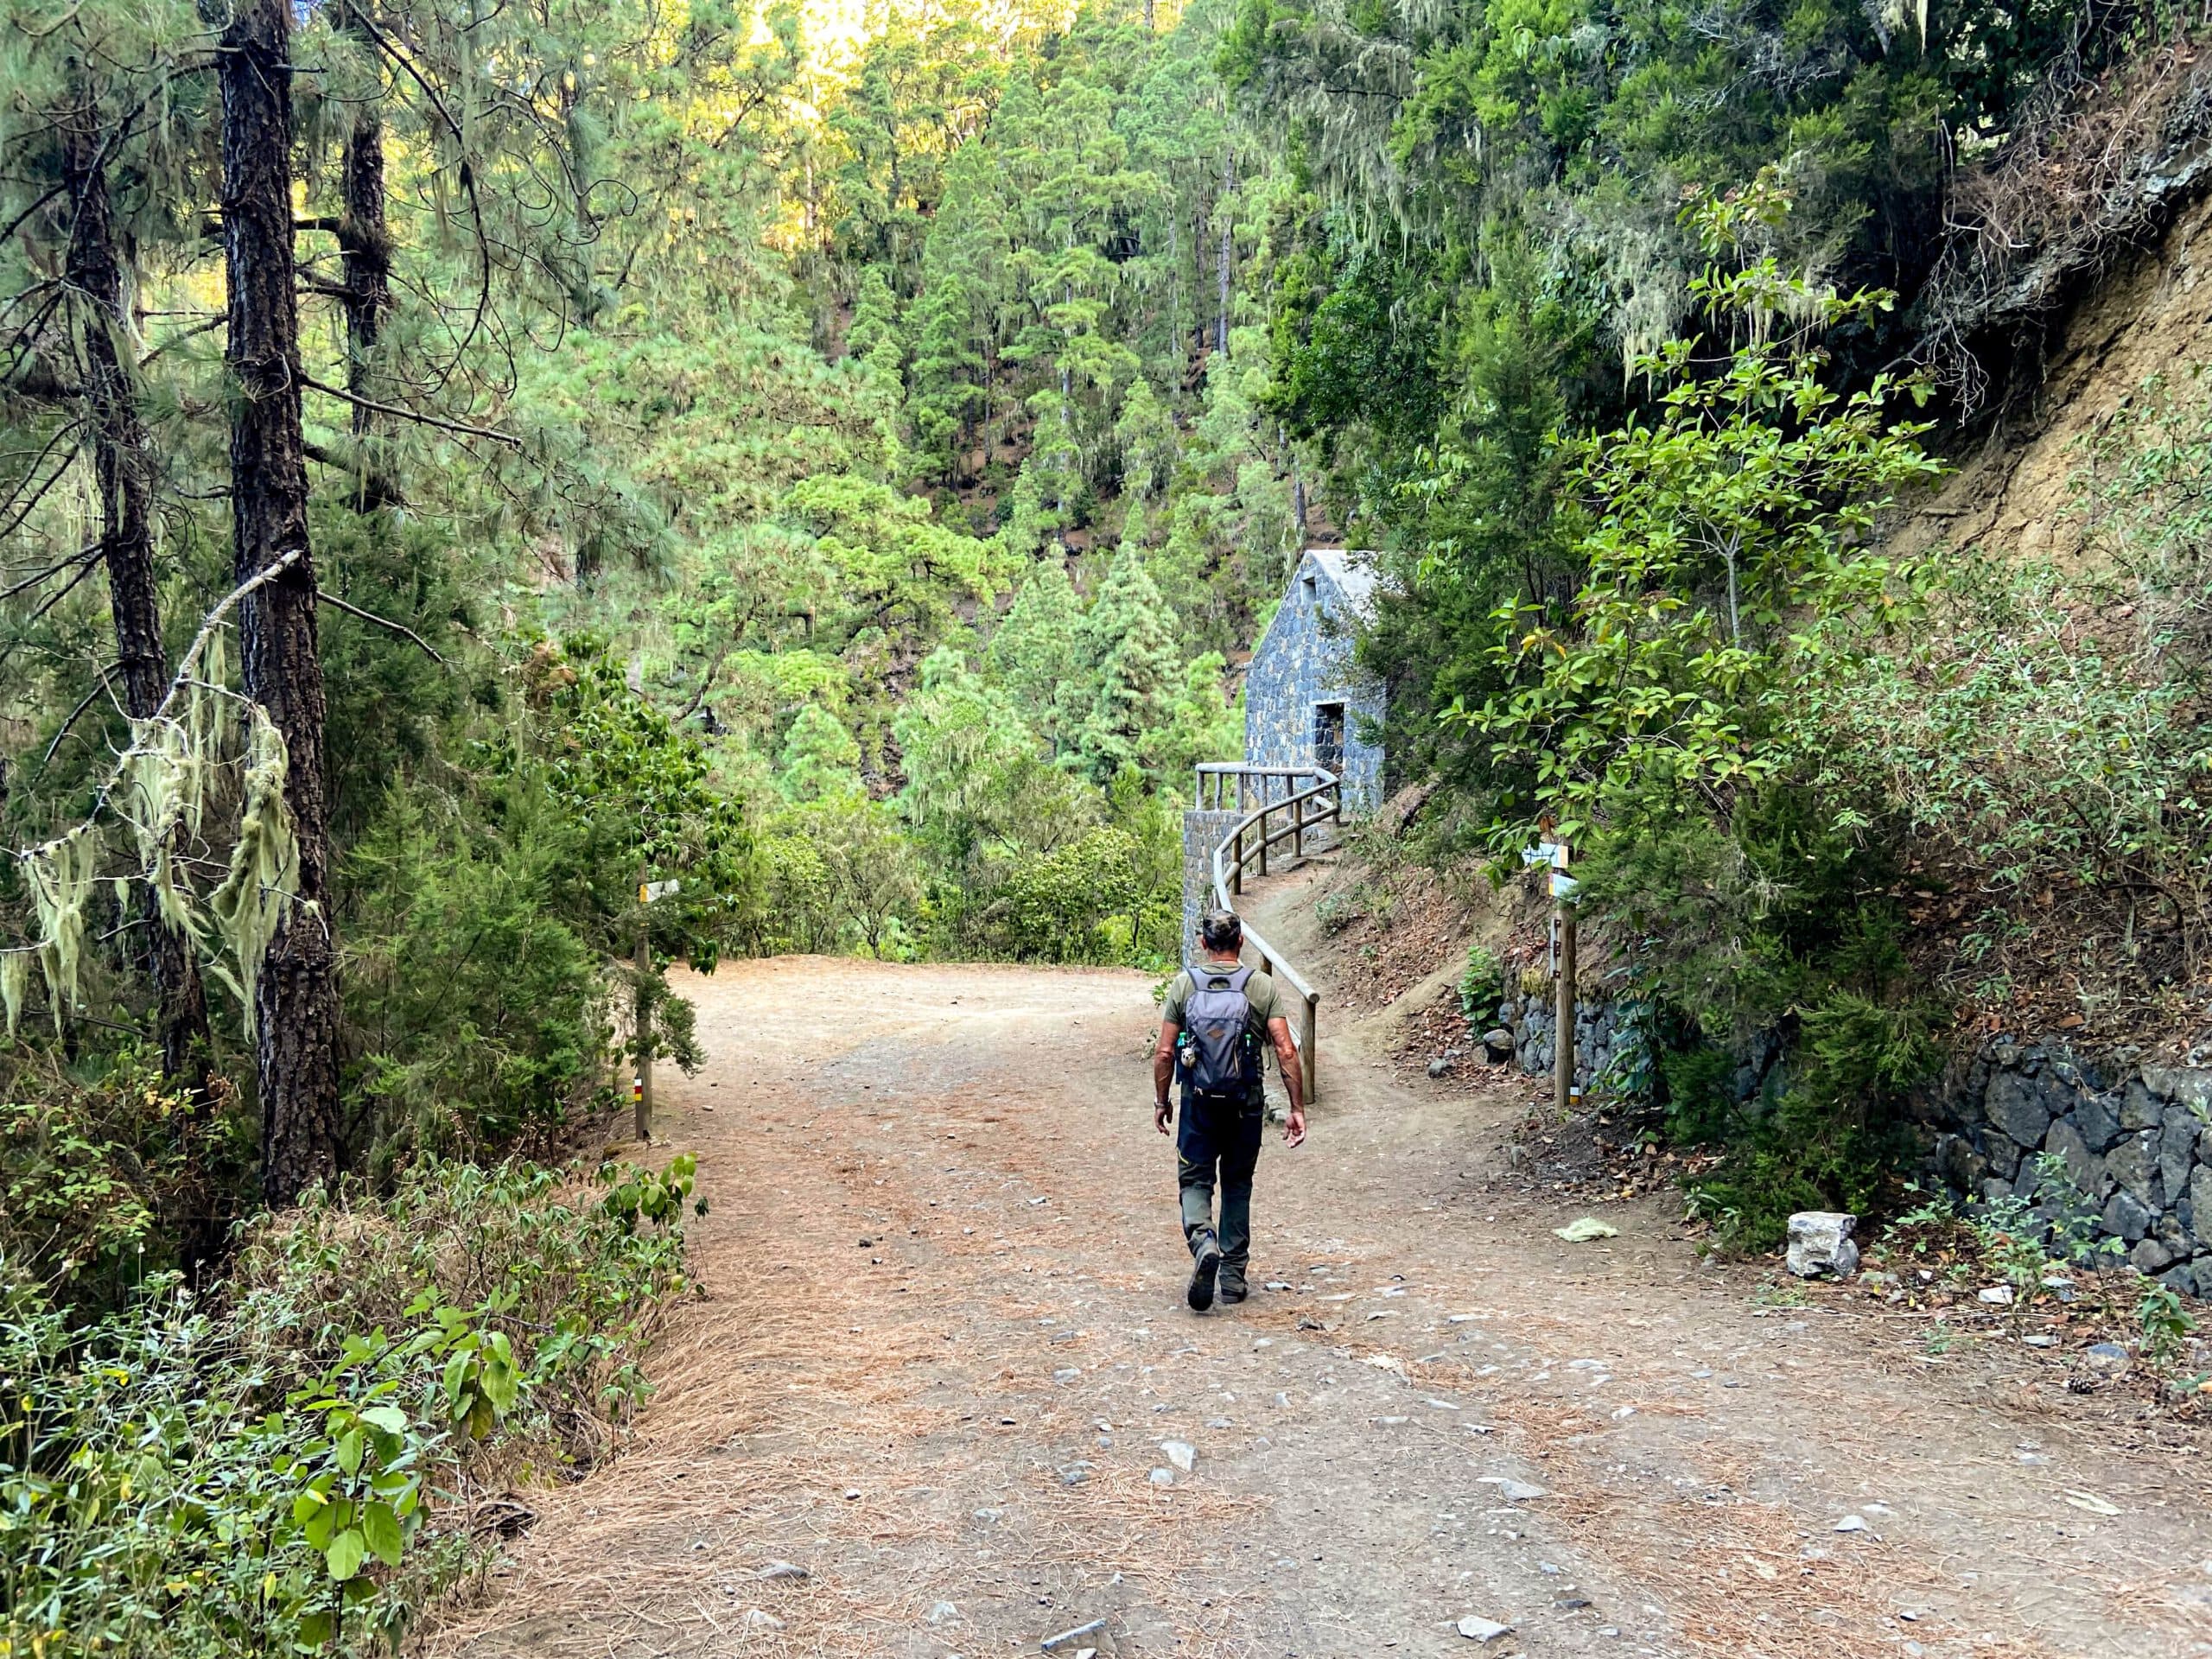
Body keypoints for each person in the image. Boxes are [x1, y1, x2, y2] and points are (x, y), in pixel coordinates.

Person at [1153, 906, 1306, 1311]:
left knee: (1195, 1181)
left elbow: (1166, 1051)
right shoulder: (1260, 987)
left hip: (1198, 1107)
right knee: (1238, 1184)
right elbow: (1286, 1049)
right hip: (1246, 1106)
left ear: (1204, 944)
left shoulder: (1184, 986)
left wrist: (1162, 1100)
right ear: (1240, 942)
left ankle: (1204, 1242)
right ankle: (1233, 1278)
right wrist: (1296, 1108)